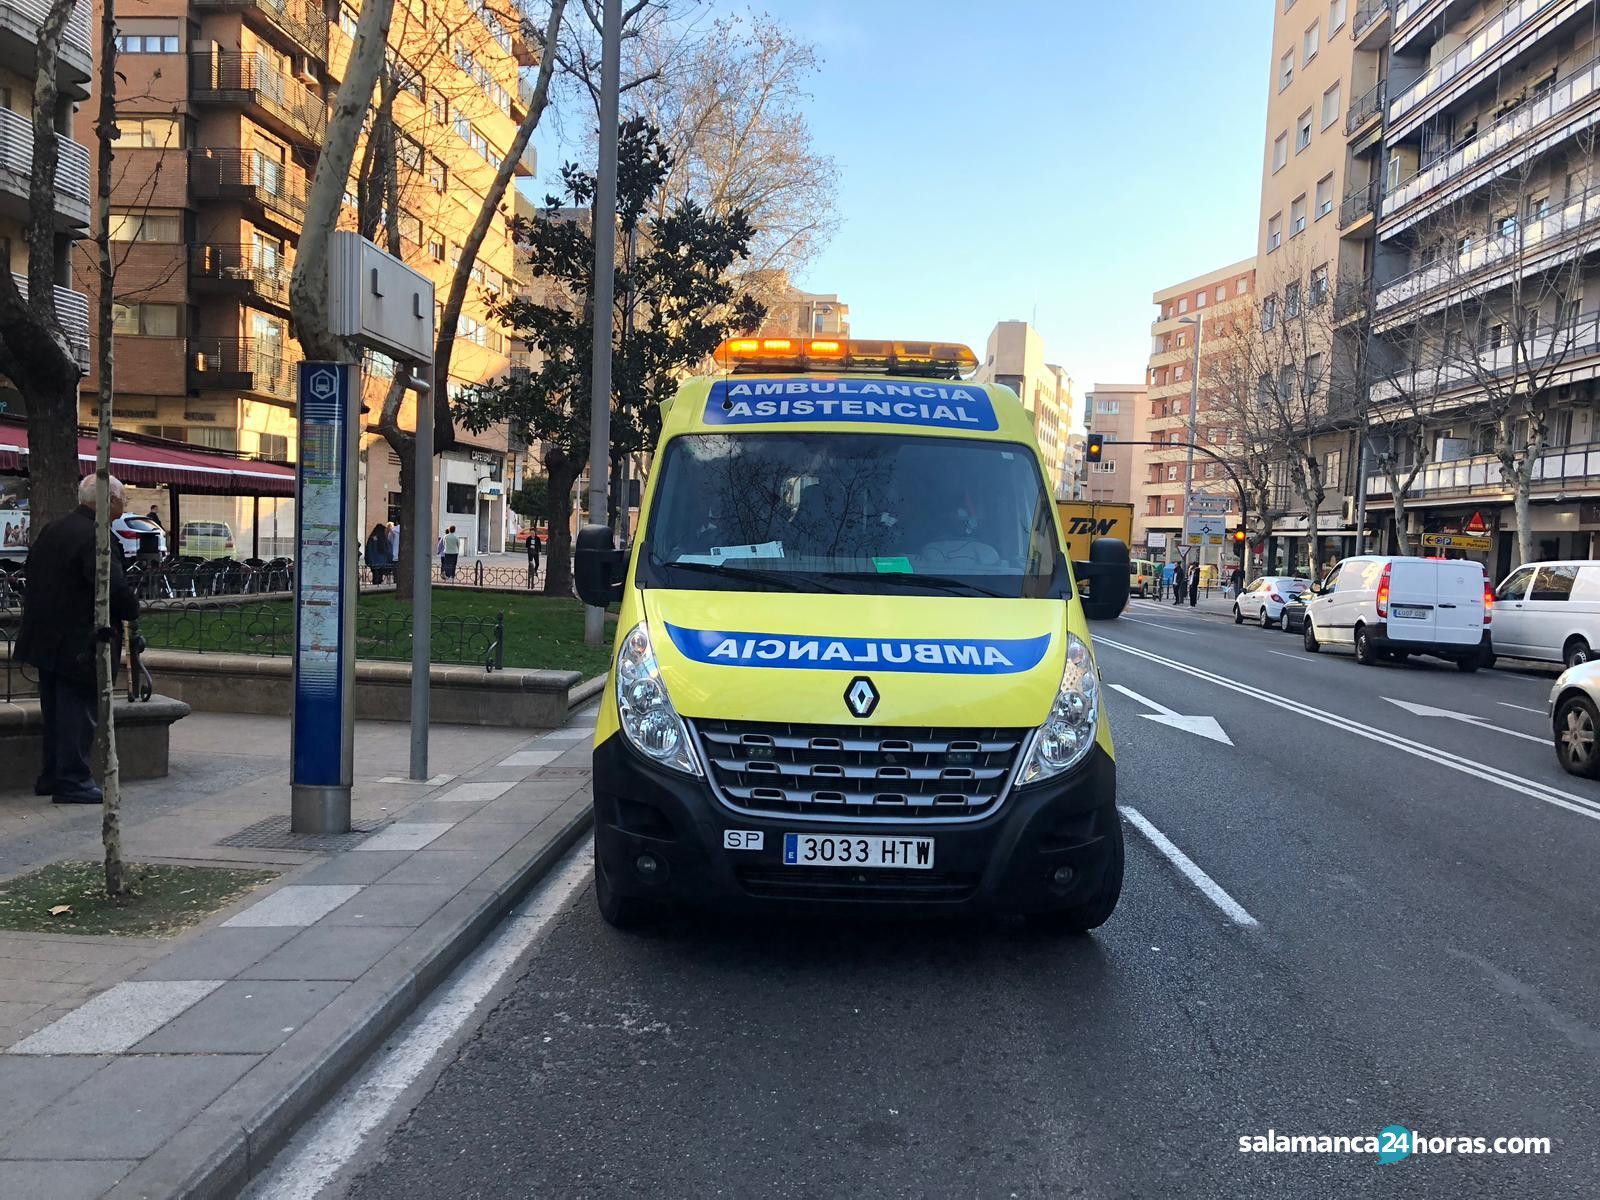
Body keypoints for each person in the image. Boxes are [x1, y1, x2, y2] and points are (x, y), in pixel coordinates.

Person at [15, 474, 138, 805]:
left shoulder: (55, 529)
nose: (124, 505)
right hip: (79, 643)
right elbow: (111, 587)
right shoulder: (96, 536)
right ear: (107, 499)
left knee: (55, 710)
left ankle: (52, 775)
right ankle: (72, 779)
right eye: (123, 499)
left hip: (46, 639)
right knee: (77, 713)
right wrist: (131, 608)